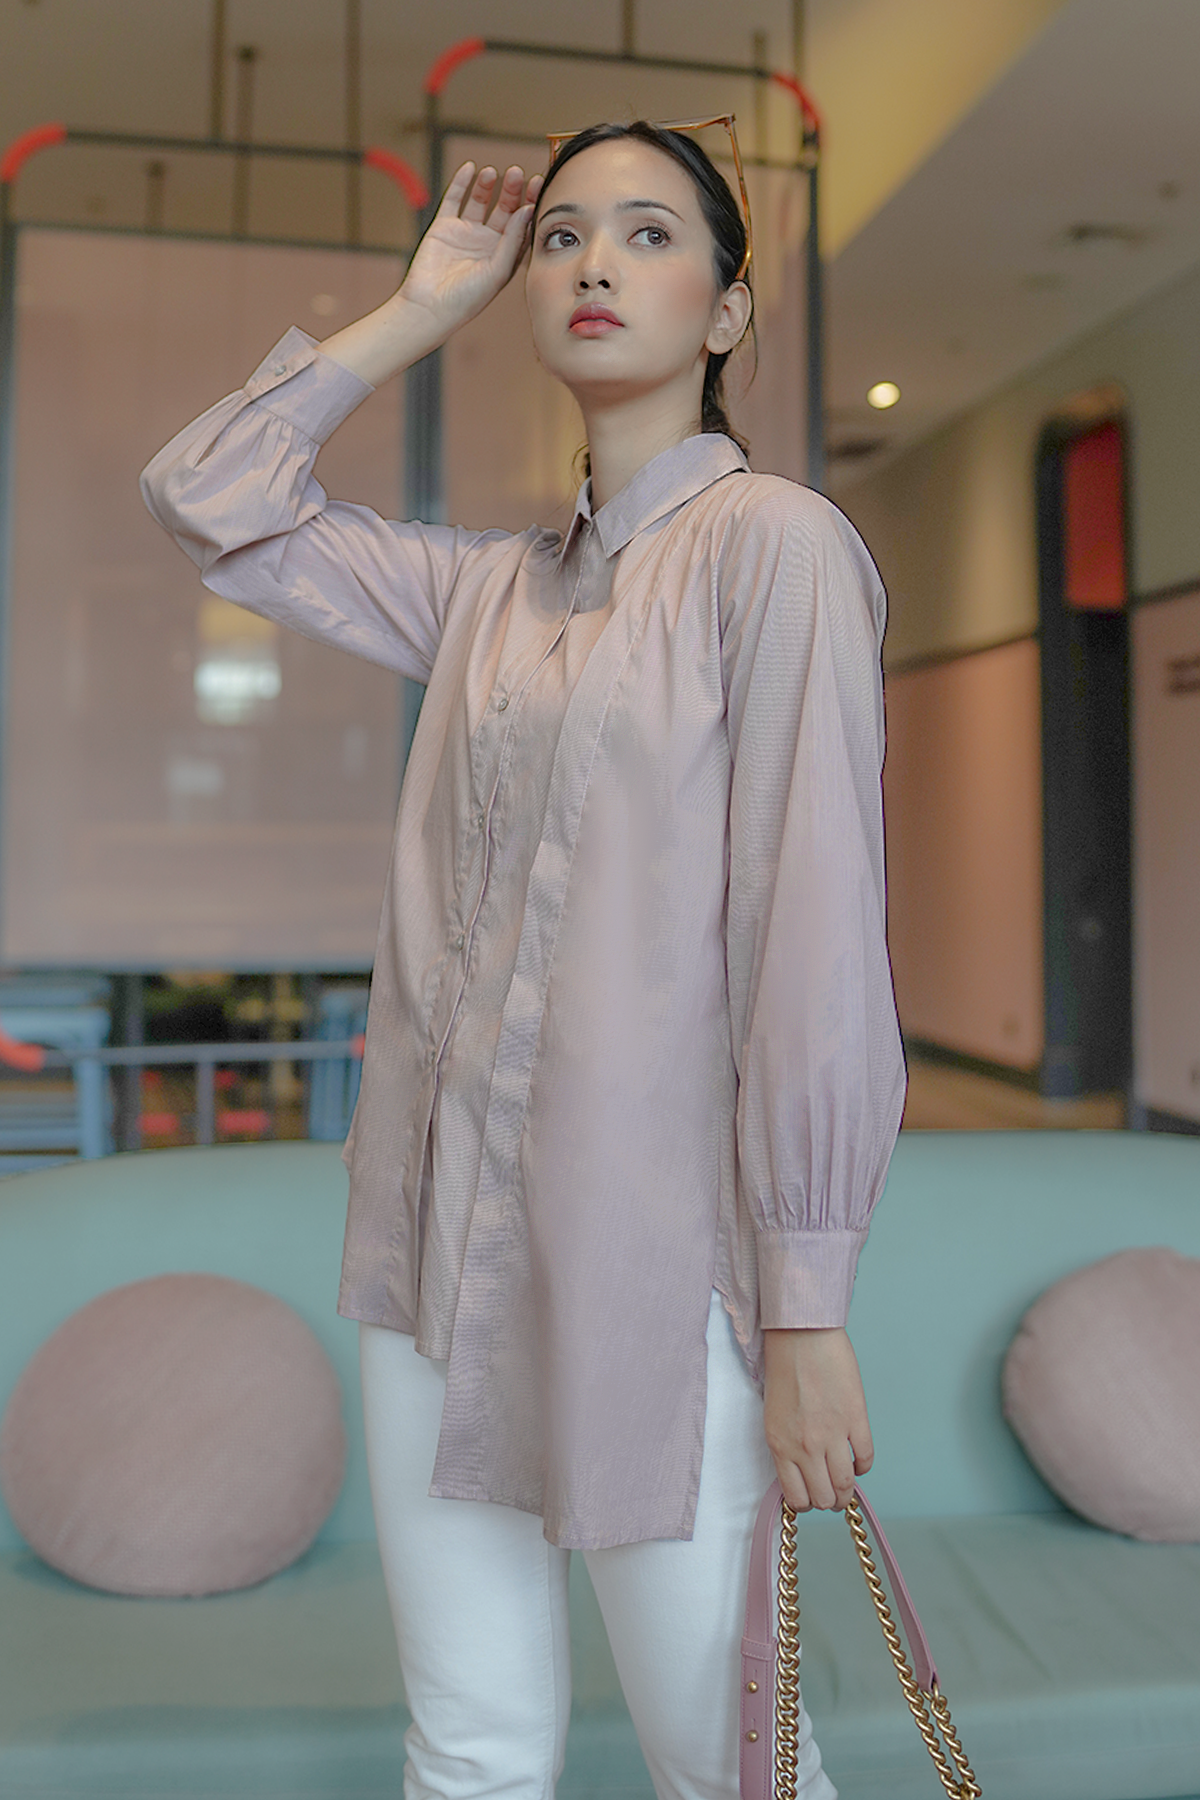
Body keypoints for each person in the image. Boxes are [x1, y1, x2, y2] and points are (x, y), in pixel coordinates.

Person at [142, 119, 906, 1800]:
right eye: (561, 236)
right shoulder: (485, 596)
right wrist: (422, 307)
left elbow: (813, 935)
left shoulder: (773, 547)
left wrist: (806, 1305)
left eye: (648, 233)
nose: (593, 263)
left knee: (733, 1767)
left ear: (726, 311)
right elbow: (210, 500)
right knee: (472, 1750)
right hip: (428, 1262)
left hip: (657, 1278)